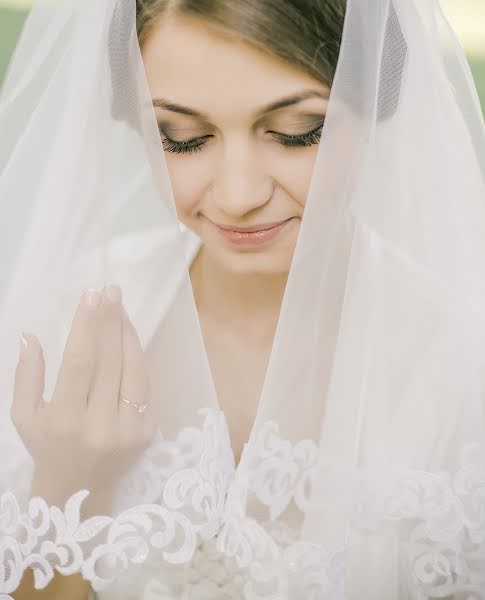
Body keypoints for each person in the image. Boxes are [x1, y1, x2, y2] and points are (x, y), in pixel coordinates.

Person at [3, 0, 485, 599]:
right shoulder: (69, 317)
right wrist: (69, 487)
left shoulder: (465, 366)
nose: (237, 195)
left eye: (296, 132)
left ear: (374, 93)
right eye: (181, 138)